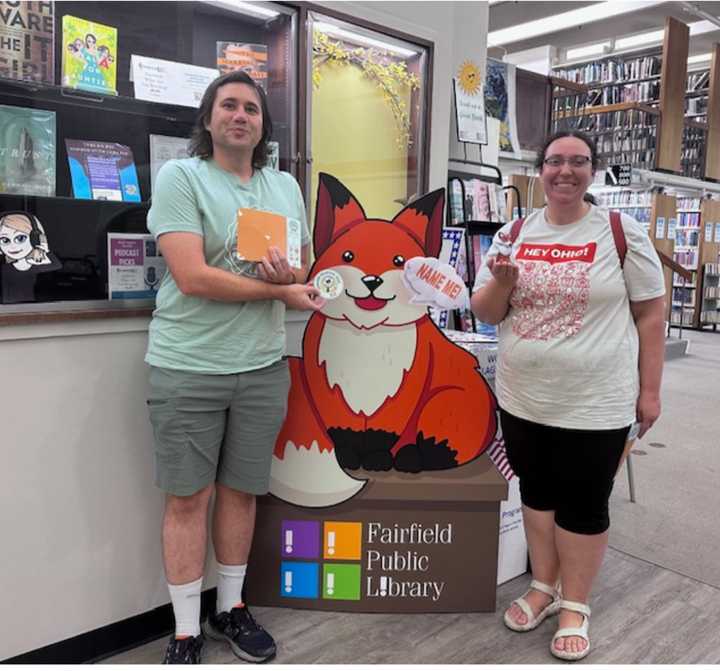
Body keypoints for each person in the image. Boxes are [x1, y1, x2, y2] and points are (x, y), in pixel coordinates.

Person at [145, 69, 324, 665]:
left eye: (251, 107)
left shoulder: (284, 187)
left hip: (261, 365)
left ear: (262, 125)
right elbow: (192, 277)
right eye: (229, 105)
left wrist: (288, 278)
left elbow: (301, 267)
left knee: (242, 494)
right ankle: (185, 629)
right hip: (189, 365)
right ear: (208, 118)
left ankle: (232, 609)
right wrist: (277, 292)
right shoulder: (181, 177)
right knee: (187, 498)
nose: (240, 115)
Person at [471, 130, 666, 661]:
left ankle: (575, 603)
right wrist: (505, 282)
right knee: (536, 495)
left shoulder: (619, 232)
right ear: (540, 171)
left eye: (577, 162)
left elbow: (651, 313)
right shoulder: (513, 232)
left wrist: (651, 391)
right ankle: (542, 588)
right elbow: (486, 314)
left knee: (583, 504)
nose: (565, 171)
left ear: (592, 171)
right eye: (554, 161)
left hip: (598, 401)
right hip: (523, 398)